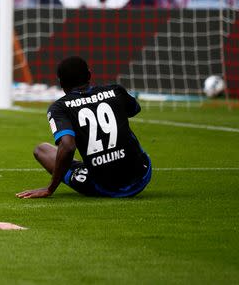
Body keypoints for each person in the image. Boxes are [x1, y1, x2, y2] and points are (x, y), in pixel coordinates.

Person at [16, 56, 152, 199]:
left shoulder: (59, 107)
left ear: (61, 83)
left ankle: (91, 166)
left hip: (104, 187)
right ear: (89, 75)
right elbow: (134, 110)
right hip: (141, 175)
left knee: (41, 150)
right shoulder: (116, 90)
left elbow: (68, 146)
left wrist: (50, 188)